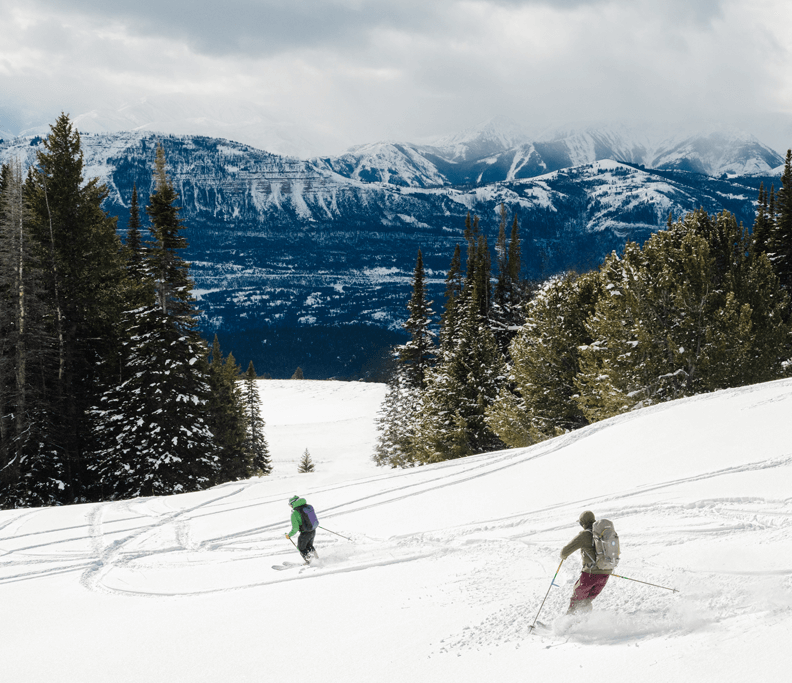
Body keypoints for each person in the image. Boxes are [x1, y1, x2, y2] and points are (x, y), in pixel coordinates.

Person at [560, 510, 612, 614]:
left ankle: (566, 624)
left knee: (576, 599)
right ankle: (584, 623)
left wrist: (564, 556)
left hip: (590, 575)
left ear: (583, 523)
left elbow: (564, 552)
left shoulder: (585, 535)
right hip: (605, 575)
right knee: (586, 601)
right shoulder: (602, 533)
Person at [286, 495, 318, 562]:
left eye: (290, 505)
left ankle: (310, 562)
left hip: (305, 533)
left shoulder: (295, 513)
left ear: (293, 503)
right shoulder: (308, 507)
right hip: (313, 530)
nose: (290, 507)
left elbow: (295, 528)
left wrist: (289, 535)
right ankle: (317, 559)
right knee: (309, 546)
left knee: (301, 548)